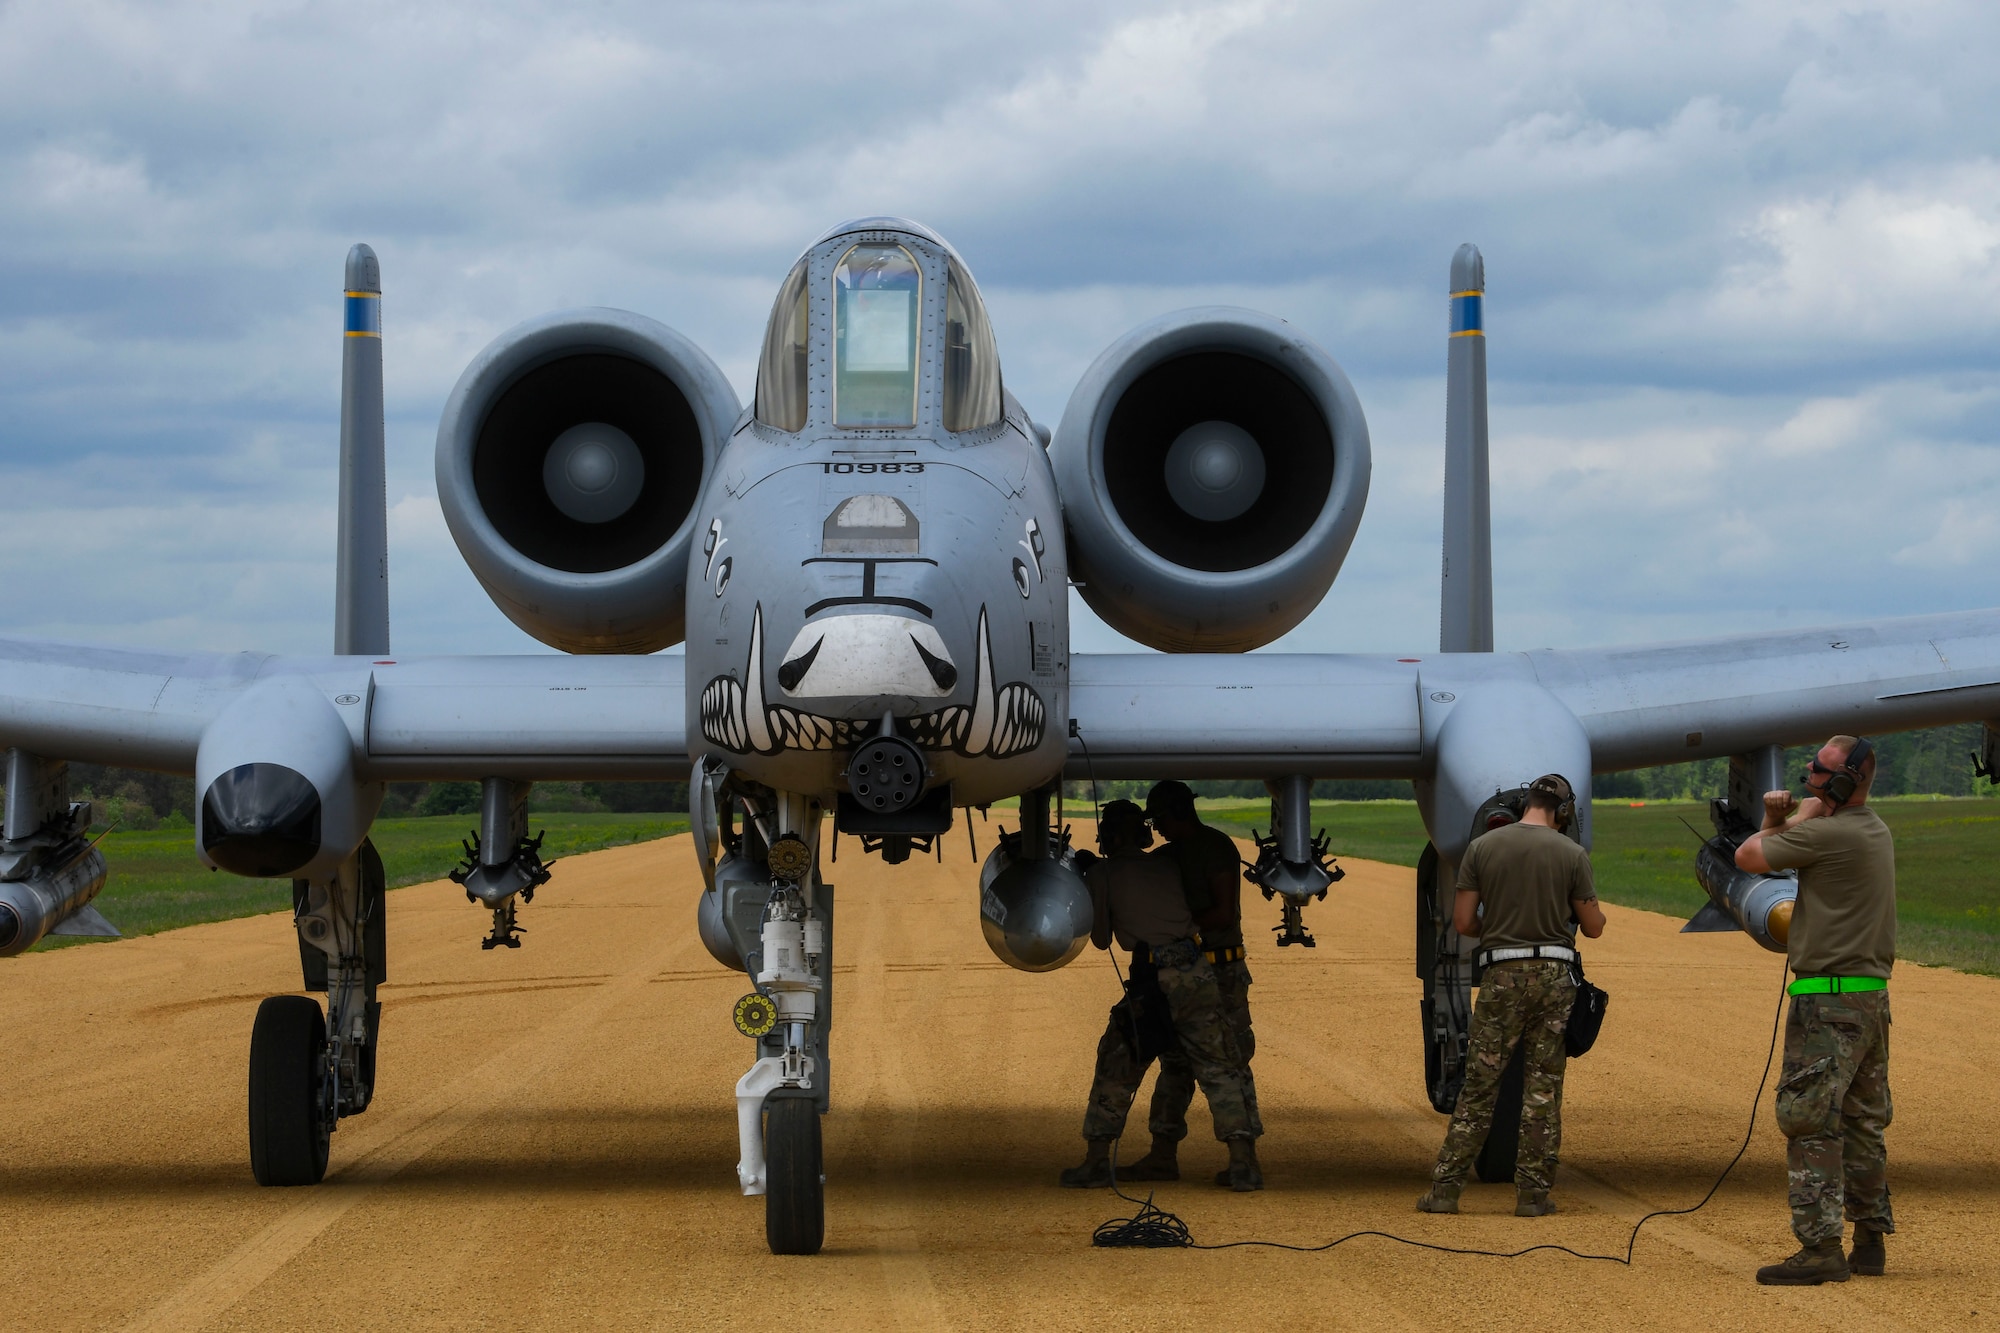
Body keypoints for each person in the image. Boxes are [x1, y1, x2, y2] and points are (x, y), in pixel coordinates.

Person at [1735, 735, 1896, 1286]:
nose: (1809, 773)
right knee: (1863, 1121)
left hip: (1827, 1001)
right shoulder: (1874, 829)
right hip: (1870, 998)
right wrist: (1799, 819)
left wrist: (1788, 817)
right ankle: (1869, 1241)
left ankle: (1821, 1246)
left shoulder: (1826, 832)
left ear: (1847, 782)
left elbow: (1748, 857)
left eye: (1821, 770)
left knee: (1809, 1121)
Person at [1417, 773, 1606, 1217]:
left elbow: (1464, 922)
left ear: (1526, 804)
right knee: (1542, 1090)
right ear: (1563, 811)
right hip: (1555, 979)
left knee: (1479, 1086)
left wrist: (1501, 931)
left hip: (1501, 977)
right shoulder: (1572, 855)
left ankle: (1444, 1192)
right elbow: (1593, 927)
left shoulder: (1483, 848)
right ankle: (1533, 1196)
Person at [1060, 800, 1263, 1191]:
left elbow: (1101, 939)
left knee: (1117, 1064)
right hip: (1196, 972)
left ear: (1109, 837)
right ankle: (1243, 1164)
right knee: (1219, 1066)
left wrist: (1092, 881)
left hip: (1153, 978)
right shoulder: (1167, 866)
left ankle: (1097, 1161)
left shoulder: (1103, 873)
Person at [1115, 780, 1262, 1186]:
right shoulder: (1165, 856)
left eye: (1159, 819)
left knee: (1228, 1061)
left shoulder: (1215, 848)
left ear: (1178, 812)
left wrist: (1176, 932)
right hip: (1182, 973)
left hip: (1220, 969)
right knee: (1175, 1064)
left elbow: (1224, 913)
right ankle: (1162, 1155)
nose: (1157, 828)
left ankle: (1245, 1162)